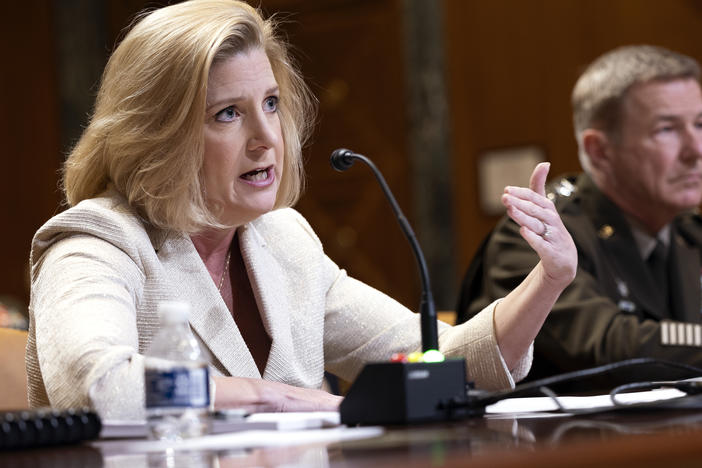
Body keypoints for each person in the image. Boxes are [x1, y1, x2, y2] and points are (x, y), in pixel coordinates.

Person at [27, 0, 576, 420]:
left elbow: (444, 359)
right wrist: (266, 396)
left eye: (270, 103)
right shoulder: (96, 241)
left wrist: (548, 279)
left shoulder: (281, 239)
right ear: (157, 135)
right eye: (226, 114)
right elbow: (96, 383)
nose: (267, 137)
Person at [457, 45, 702, 387]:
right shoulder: (538, 234)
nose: (696, 150)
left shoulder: (689, 234)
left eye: (699, 124)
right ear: (599, 151)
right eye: (667, 130)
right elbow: (611, 344)